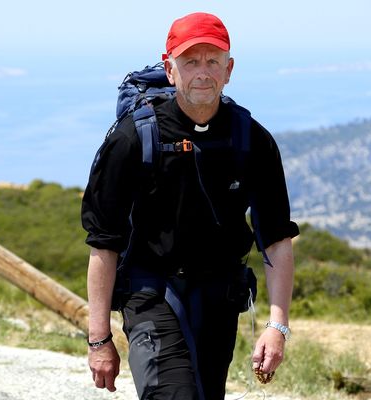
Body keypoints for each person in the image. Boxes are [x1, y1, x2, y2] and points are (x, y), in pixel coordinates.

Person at [81, 12, 299, 400]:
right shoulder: (134, 138)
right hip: (150, 293)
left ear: (228, 70)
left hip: (219, 297)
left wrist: (277, 325)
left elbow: (277, 238)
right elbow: (104, 242)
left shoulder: (252, 140)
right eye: (190, 61)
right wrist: (99, 339)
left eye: (212, 61)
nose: (202, 72)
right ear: (170, 69)